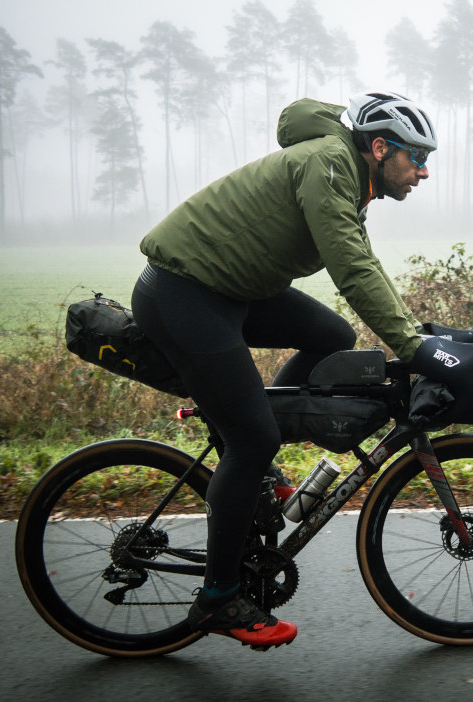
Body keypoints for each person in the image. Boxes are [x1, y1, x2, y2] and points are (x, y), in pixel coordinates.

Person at [130, 91, 439, 648]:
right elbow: (348, 266)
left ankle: (255, 466)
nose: (422, 171)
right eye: (416, 158)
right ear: (378, 148)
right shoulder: (328, 163)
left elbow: (361, 261)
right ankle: (218, 599)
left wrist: (414, 336)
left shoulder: (348, 173)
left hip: (228, 290)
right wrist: (412, 349)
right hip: (185, 293)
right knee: (252, 438)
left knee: (331, 336)